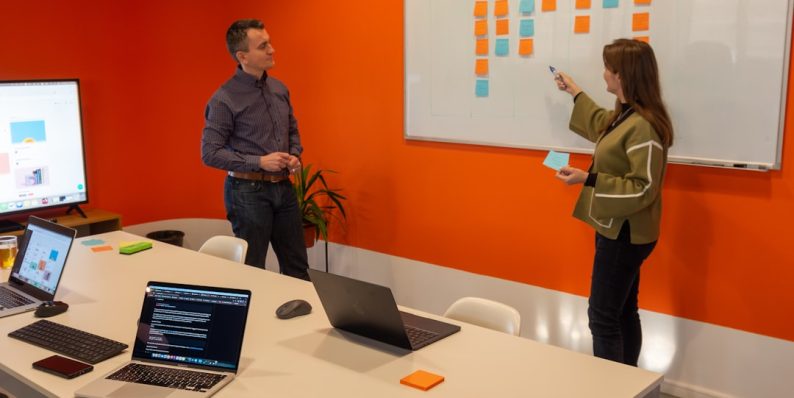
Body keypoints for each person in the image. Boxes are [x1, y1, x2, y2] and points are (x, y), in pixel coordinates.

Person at [552, 39, 674, 366]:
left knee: (603, 317)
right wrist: (574, 91)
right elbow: (601, 125)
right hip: (619, 229)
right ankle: (627, 383)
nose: (603, 73)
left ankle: (611, 387)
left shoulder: (644, 127)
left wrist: (587, 178)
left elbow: (642, 187)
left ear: (623, 75)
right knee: (622, 312)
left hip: (625, 234)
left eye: (608, 68)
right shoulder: (626, 115)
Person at [201, 19, 309, 280]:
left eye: (269, 42)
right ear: (243, 56)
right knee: (252, 272)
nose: (272, 49)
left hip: (283, 188)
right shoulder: (224, 99)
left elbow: (292, 130)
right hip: (247, 193)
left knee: (297, 268)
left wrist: (294, 155)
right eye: (263, 46)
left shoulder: (279, 89)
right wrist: (259, 161)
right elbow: (210, 153)